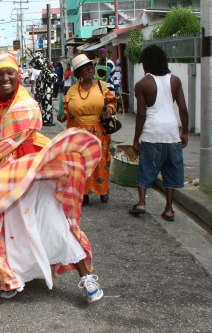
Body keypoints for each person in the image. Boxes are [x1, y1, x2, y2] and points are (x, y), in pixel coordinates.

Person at [0, 52, 104, 303]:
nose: (5, 78)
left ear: (18, 74)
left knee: (52, 220)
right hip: (4, 171)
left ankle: (85, 277)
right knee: (11, 227)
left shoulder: (27, 106)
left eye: (9, 72)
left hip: (32, 168)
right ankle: (12, 276)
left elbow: (9, 143)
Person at [128, 45, 188, 222]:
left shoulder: (142, 84)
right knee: (171, 170)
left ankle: (141, 203)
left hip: (152, 133)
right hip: (171, 133)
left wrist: (136, 138)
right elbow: (183, 109)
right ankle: (169, 209)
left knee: (146, 168)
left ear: (146, 63)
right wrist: (184, 132)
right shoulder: (175, 81)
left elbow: (140, 115)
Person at [58, 53, 117, 205]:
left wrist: (109, 110)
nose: (91, 69)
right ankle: (83, 193)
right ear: (79, 73)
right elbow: (66, 111)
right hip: (79, 132)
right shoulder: (72, 91)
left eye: (91, 67)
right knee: (82, 163)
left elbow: (112, 102)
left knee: (100, 160)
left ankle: (103, 191)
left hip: (99, 131)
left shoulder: (102, 86)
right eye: (86, 68)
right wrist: (61, 116)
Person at [30, 53, 57, 126]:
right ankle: (47, 120)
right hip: (46, 93)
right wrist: (53, 70)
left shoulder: (42, 72)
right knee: (47, 107)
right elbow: (54, 78)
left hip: (43, 92)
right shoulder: (46, 72)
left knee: (44, 107)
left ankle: (44, 119)